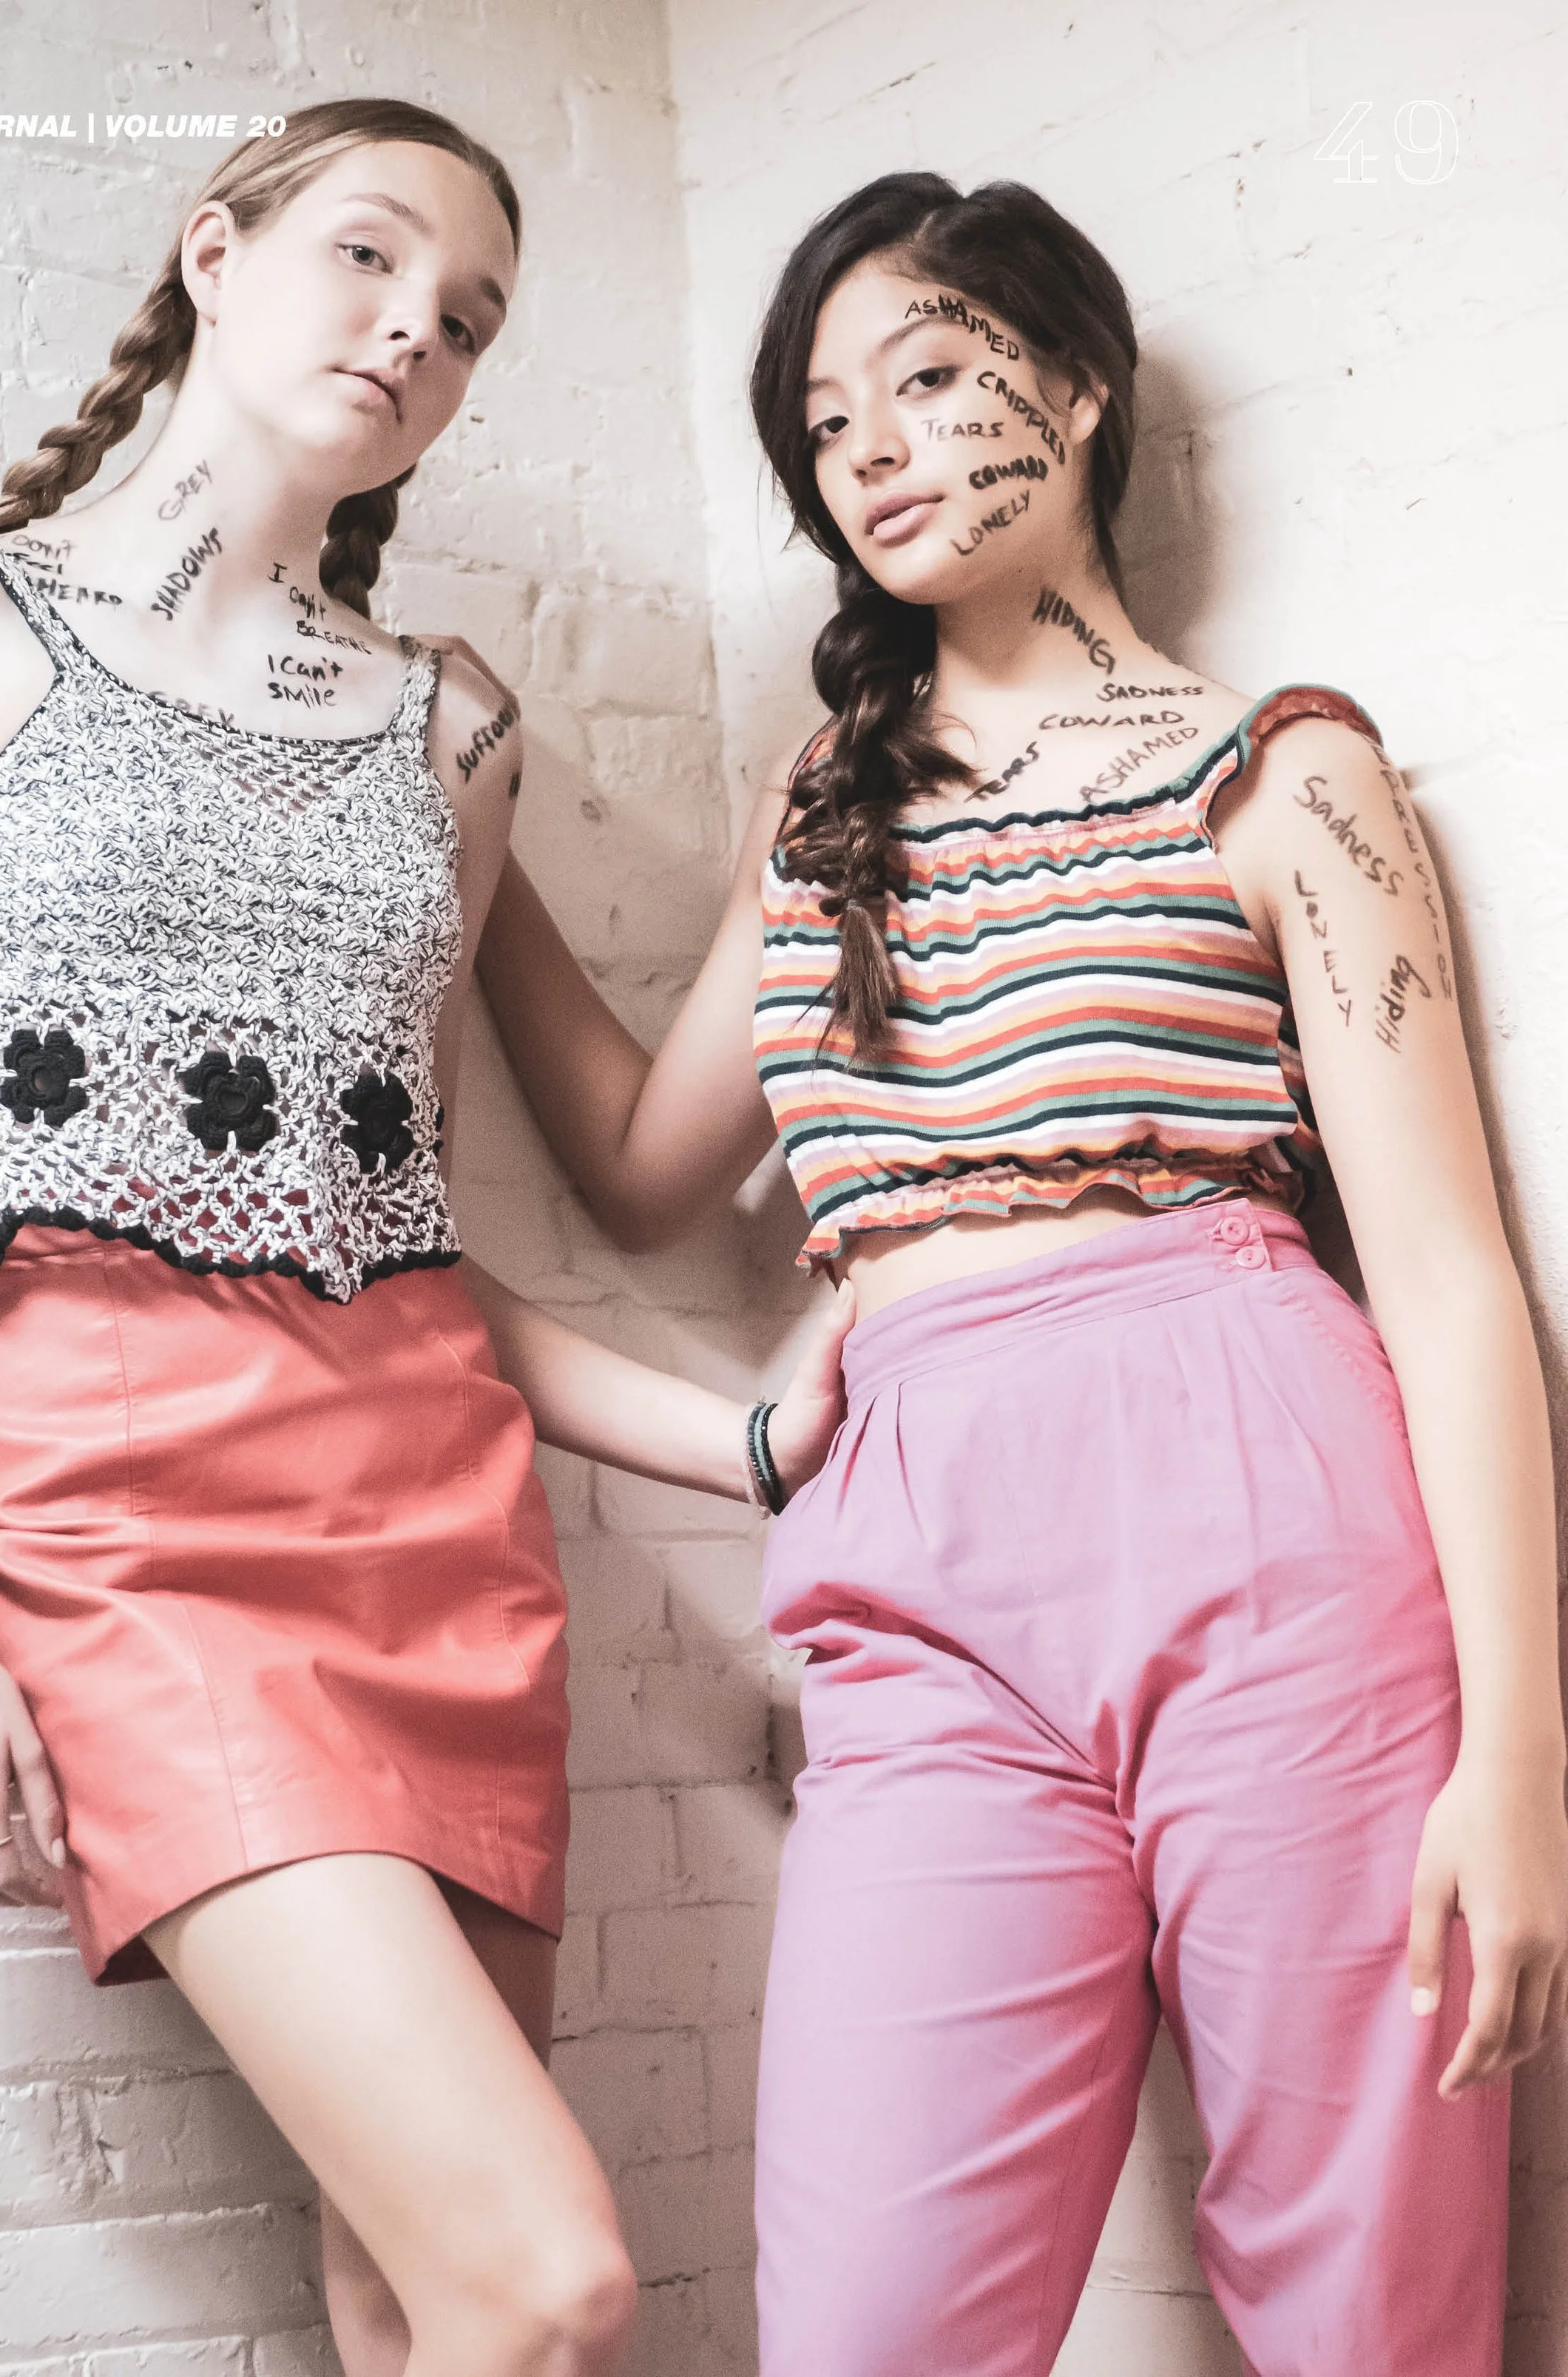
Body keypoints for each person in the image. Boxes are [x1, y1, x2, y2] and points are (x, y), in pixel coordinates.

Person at [0, 101, 852, 2377]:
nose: (409, 334)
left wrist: (745, 1442)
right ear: (214, 254)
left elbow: (407, 1238)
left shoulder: (447, 728)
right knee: (548, 2280)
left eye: (463, 323)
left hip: (435, 1536)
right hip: (115, 1524)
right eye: (365, 261)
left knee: (410, 2293)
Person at [473, 170, 1568, 2375]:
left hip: (1269, 1502)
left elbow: (1449, 1276)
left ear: (1071, 394)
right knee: (874, 2320)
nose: (868, 444)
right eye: (823, 419)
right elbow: (635, 1166)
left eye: (928, 377)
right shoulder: (821, 811)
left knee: (1366, 2309)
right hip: (918, 1562)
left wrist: (1521, 1761)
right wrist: (460, 822)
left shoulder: (1278, 773)